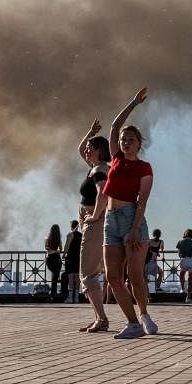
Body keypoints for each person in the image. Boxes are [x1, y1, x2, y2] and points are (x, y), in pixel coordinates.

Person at [91, 87, 159, 339]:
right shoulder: (116, 160)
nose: (125, 142)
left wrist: (134, 230)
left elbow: (142, 201)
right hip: (111, 219)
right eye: (123, 139)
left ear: (139, 143)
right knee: (112, 276)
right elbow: (114, 127)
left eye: (131, 139)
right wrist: (133, 103)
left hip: (133, 219)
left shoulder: (144, 167)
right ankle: (132, 323)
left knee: (136, 276)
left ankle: (143, 314)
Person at [76, 124, 112, 332]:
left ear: (99, 150)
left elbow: (102, 193)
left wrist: (96, 215)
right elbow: (81, 150)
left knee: (88, 273)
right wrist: (90, 133)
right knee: (88, 272)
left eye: (91, 147)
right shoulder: (95, 167)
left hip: (95, 224)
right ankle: (99, 316)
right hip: (92, 222)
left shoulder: (99, 170)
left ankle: (102, 318)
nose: (87, 150)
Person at [176, 229, 192, 303]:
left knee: (182, 273)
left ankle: (183, 289)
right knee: (190, 280)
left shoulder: (180, 242)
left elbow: (179, 254)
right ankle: (188, 297)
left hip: (184, 260)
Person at [63, 220, 82, 304]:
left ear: (71, 226)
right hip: (79, 258)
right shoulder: (81, 235)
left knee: (71, 277)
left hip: (70, 257)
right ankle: (76, 297)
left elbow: (67, 246)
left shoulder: (70, 235)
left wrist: (63, 254)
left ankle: (70, 297)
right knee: (77, 277)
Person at [44, 224, 63, 301]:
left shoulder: (47, 239)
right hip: (57, 259)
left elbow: (46, 248)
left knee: (54, 277)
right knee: (55, 278)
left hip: (49, 259)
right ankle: (53, 295)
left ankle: (52, 295)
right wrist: (57, 251)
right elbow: (60, 249)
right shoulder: (59, 240)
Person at [145, 229, 164, 294]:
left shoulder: (149, 241)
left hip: (147, 262)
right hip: (153, 262)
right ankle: (157, 287)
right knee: (160, 273)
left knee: (146, 276)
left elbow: (146, 250)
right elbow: (161, 250)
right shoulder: (161, 242)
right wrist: (156, 253)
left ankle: (147, 291)